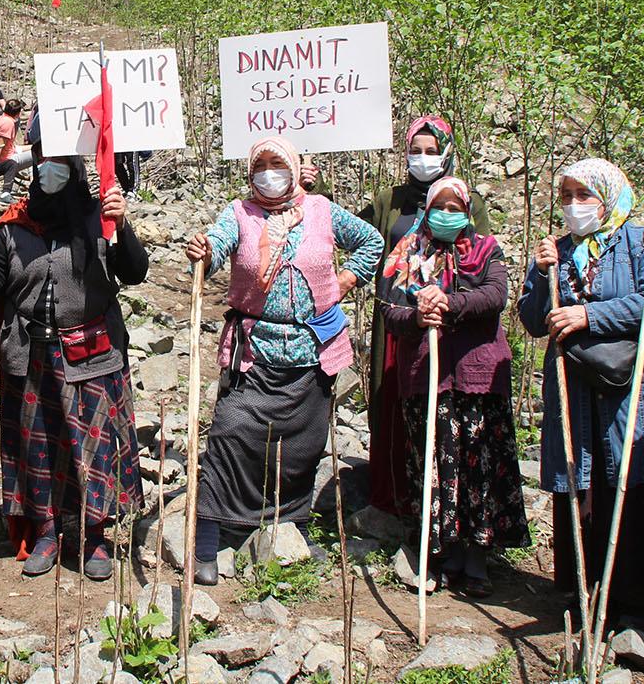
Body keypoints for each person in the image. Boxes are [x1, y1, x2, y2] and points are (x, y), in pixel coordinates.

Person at [182, 136, 383, 585]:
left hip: (312, 350)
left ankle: (292, 526)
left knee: (301, 446)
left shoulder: (322, 211)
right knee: (230, 433)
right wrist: (206, 252)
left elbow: (371, 240)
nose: (269, 172)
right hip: (254, 349)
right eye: (261, 165)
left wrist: (346, 280)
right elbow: (218, 244)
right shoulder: (239, 214)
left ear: (294, 168)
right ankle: (210, 539)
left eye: (278, 163)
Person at [0, 148, 147, 580]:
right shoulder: (13, 226)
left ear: (77, 170)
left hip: (93, 354)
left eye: (61, 163)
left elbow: (134, 271)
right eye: (43, 164)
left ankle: (92, 536)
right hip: (31, 356)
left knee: (90, 448)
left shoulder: (99, 217)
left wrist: (123, 225)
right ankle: (47, 533)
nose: (50, 171)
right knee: (37, 446)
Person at [516, 158, 644, 633]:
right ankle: (586, 589)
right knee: (584, 477)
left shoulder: (638, 242)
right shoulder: (556, 250)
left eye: (584, 196)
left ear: (609, 197)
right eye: (566, 197)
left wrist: (588, 318)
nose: (574, 207)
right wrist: (539, 276)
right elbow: (533, 321)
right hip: (575, 387)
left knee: (634, 476)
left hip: (632, 385)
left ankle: (641, 599)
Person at [378, 176, 526, 596]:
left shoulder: (485, 249)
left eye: (454, 207)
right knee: (435, 465)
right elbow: (390, 307)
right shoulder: (407, 252)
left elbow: (496, 294)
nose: (447, 214)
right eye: (438, 206)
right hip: (427, 374)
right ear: (426, 209)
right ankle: (441, 555)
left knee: (477, 463)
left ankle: (477, 560)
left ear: (466, 211)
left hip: (477, 375)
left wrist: (451, 303)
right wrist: (417, 319)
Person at [366, 116, 490, 516]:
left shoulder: (466, 200)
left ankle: (443, 510)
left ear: (448, 152)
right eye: (415, 151)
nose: (422, 158)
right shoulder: (391, 200)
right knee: (393, 401)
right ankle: (392, 495)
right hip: (399, 321)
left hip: (451, 324)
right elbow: (359, 234)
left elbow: (481, 258)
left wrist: (450, 303)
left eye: (431, 151)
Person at [0, 100, 34, 204]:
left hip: (10, 151)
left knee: (36, 148)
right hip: (6, 160)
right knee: (37, 154)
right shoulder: (7, 123)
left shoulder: (2, 118)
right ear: (18, 113)